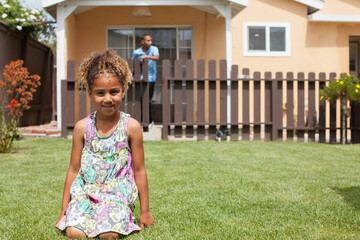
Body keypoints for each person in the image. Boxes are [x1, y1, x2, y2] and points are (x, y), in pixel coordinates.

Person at [56, 50, 154, 239]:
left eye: (114, 92)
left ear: (123, 90)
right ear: (90, 93)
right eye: (100, 93)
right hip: (86, 192)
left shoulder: (131, 127)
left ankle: (118, 216)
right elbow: (73, 170)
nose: (108, 98)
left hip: (117, 194)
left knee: (108, 235)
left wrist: (145, 212)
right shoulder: (81, 128)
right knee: (74, 233)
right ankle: (82, 215)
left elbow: (140, 170)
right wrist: (64, 210)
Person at [132, 34, 159, 125]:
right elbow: (133, 64)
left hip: (151, 79)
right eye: (148, 40)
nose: (150, 42)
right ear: (143, 42)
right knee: (139, 99)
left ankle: (150, 120)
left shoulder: (154, 49)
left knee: (148, 100)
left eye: (151, 40)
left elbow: (156, 57)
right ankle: (139, 120)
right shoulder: (136, 52)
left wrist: (146, 57)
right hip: (139, 79)